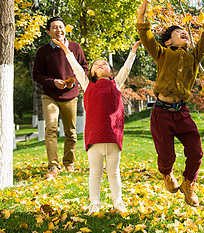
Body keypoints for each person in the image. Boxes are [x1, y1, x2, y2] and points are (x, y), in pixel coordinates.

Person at [136, 0, 204, 207]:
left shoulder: (193, 56)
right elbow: (147, 38)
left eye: (185, 32)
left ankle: (188, 183)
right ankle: (167, 174)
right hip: (162, 113)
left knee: (196, 151)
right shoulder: (162, 54)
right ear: (168, 41)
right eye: (177, 32)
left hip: (182, 112)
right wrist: (142, 14)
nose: (184, 32)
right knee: (166, 156)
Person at [53, 38, 141, 214]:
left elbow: (126, 69)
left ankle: (118, 203)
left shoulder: (115, 84)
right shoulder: (88, 86)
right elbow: (77, 68)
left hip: (113, 138)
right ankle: (95, 204)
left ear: (110, 73)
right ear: (92, 72)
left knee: (114, 173)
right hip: (94, 139)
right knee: (95, 174)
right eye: (96, 64)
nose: (100, 65)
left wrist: (132, 52)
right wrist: (66, 50)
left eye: (104, 64)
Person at [33, 17, 88, 180]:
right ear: (49, 32)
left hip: (71, 96)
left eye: (61, 27)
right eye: (54, 28)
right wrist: (52, 82)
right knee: (50, 128)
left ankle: (69, 163)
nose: (58, 30)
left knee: (71, 131)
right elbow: (37, 74)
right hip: (50, 95)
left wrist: (74, 82)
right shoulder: (43, 51)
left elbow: (84, 67)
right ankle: (53, 166)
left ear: (65, 29)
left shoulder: (75, 47)